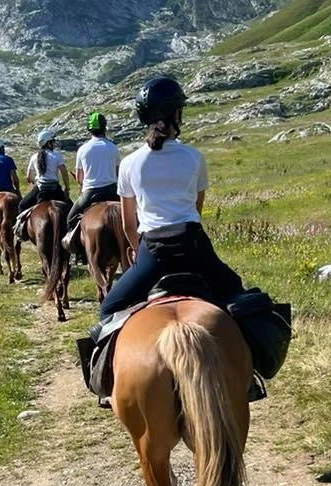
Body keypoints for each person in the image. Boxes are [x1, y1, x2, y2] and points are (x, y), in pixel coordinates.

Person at [98, 76, 244, 319]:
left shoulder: (129, 163)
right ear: (177, 114)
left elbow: (128, 224)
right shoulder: (194, 157)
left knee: (108, 309)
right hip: (195, 247)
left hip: (152, 251)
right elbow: (196, 210)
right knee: (241, 297)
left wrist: (137, 250)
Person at [61, 112, 121, 262]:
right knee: (132, 215)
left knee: (70, 219)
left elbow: (80, 178)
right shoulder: (113, 148)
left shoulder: (83, 149)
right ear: (104, 128)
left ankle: (79, 252)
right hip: (112, 190)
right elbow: (118, 173)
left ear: (89, 130)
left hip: (91, 192)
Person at [17, 129, 70, 217]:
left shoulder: (34, 157)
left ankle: (19, 228)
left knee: (22, 205)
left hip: (40, 188)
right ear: (48, 143)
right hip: (55, 189)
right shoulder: (57, 155)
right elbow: (64, 173)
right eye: (53, 141)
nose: (54, 143)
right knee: (71, 208)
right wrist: (67, 189)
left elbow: (29, 177)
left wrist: (34, 182)